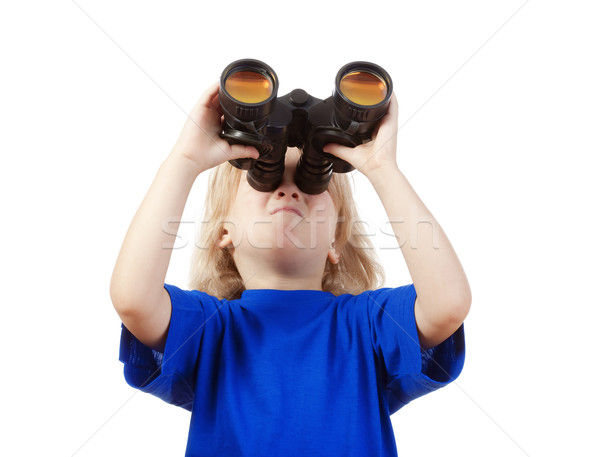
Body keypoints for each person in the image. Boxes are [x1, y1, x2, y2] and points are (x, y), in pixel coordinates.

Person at [110, 81, 471, 457]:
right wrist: (183, 163)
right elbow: (133, 299)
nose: (289, 191)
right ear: (224, 232)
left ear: (336, 240)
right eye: (263, 178)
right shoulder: (209, 329)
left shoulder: (367, 325)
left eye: (312, 182)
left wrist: (382, 169)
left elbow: (448, 304)